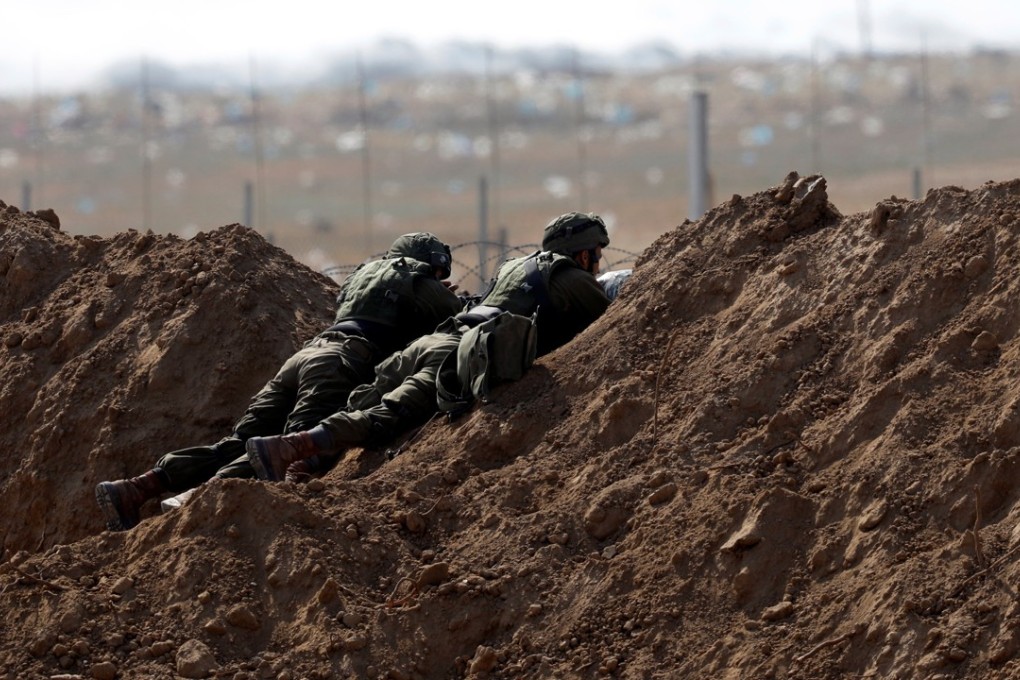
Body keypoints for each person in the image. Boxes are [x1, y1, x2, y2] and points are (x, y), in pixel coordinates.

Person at [95, 232, 464, 531]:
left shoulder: (364, 275)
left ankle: (139, 486)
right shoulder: (413, 275)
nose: (439, 281)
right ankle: (194, 498)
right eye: (438, 275)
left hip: (305, 356)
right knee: (288, 448)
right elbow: (458, 319)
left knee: (240, 441)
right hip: (339, 362)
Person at [245, 211, 613, 481]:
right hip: (454, 353)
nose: (596, 264)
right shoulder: (574, 279)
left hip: (432, 339)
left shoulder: (514, 268)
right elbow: (612, 320)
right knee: (389, 414)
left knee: (363, 400)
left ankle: (310, 464)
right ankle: (295, 446)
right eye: (595, 254)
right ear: (583, 255)